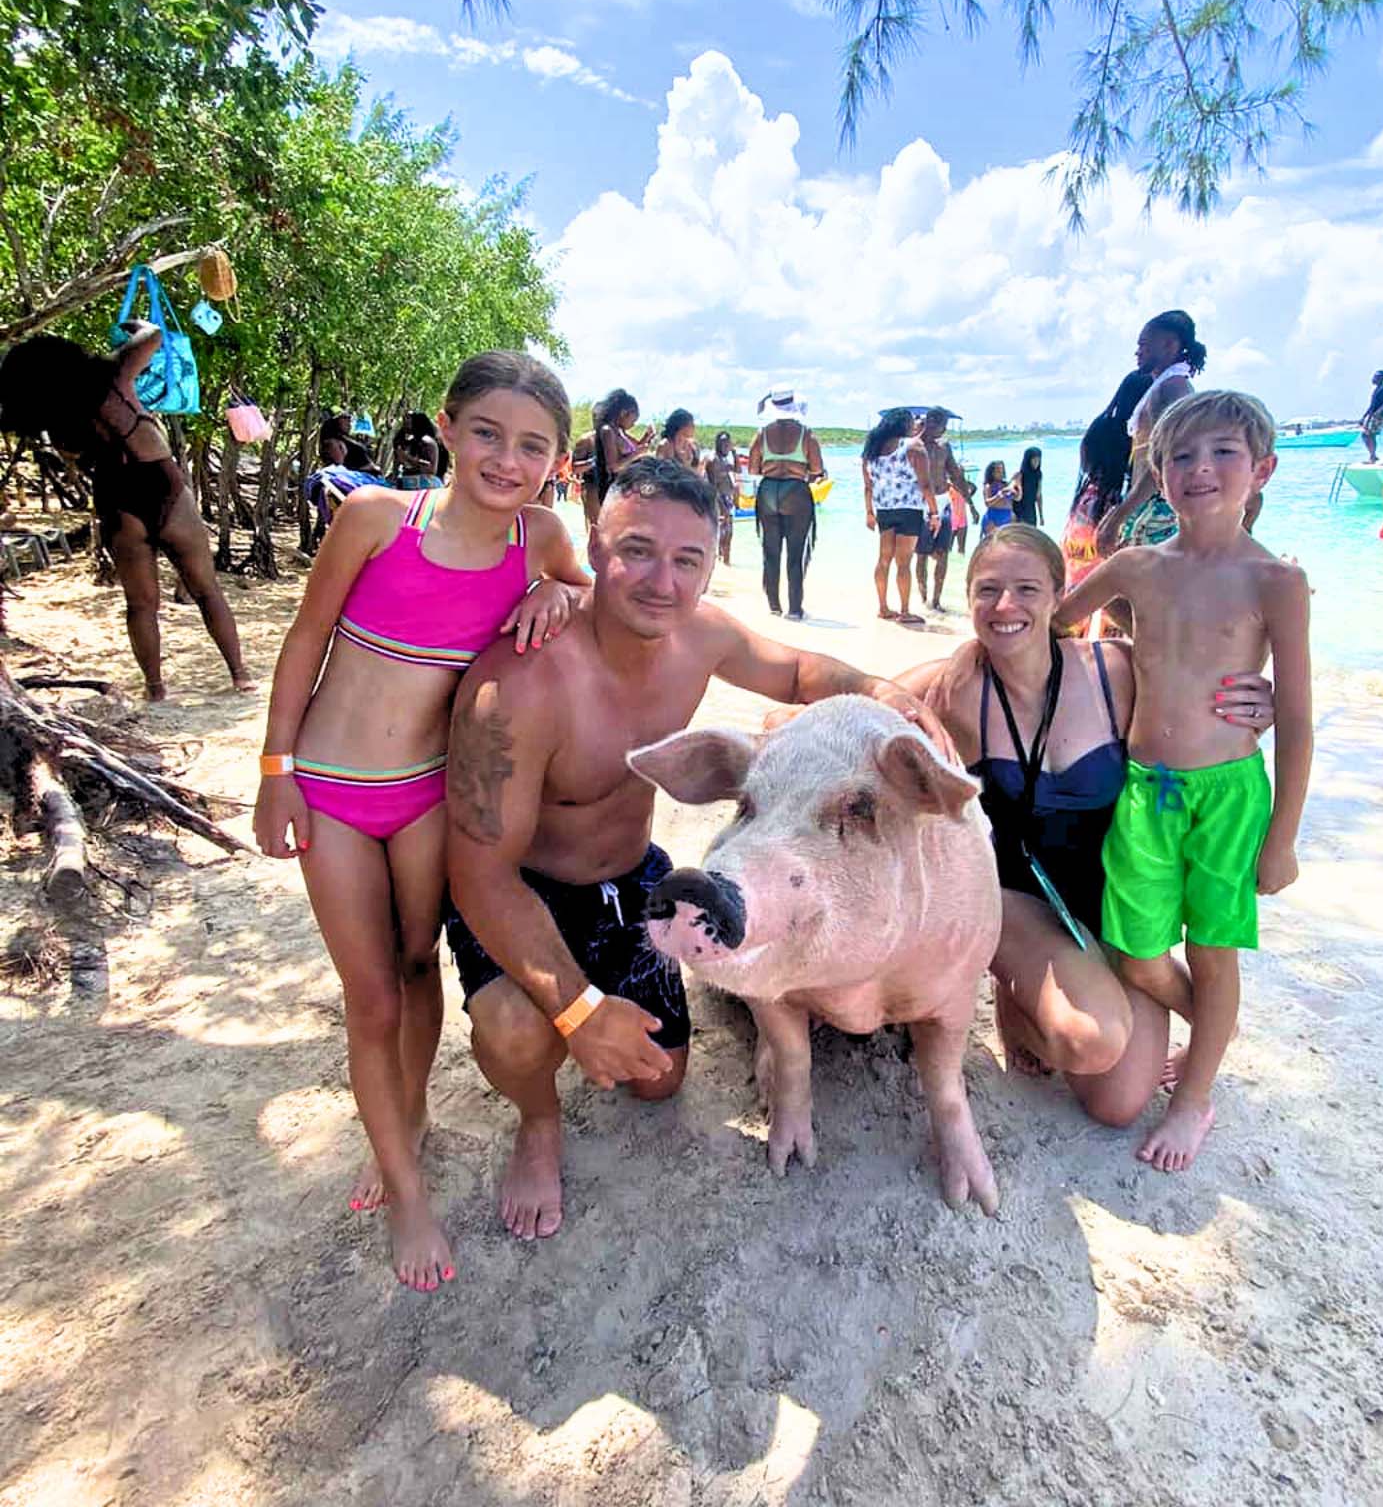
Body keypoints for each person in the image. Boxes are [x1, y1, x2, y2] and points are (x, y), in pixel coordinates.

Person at [442, 456, 953, 1243]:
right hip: (524, 894)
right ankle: (537, 1122)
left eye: (689, 561)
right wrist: (577, 1011)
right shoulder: (521, 684)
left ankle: (593, 1017)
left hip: (630, 884)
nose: (662, 582)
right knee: (519, 1033)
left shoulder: (700, 634)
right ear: (595, 543)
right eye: (637, 550)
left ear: (714, 563)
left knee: (660, 1081)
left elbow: (796, 669)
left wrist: (891, 696)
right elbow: (478, 872)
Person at [252, 351, 590, 1293]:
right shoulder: (373, 520)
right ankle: (405, 1189)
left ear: (556, 461)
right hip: (332, 787)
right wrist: (276, 770)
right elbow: (304, 642)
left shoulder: (540, 537)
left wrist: (560, 590)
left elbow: (591, 588)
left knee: (418, 964)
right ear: (445, 428)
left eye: (533, 446)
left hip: (428, 796)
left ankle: (409, 1117)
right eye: (487, 433)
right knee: (371, 995)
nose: (506, 459)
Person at [894, 526, 1276, 1142]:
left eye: (1025, 589)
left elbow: (1206, 713)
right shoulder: (955, 688)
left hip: (1113, 900)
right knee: (1089, 1041)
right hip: (1016, 899)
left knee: (1119, 1104)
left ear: (1059, 594)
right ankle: (1022, 994)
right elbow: (848, 704)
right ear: (967, 601)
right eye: (987, 591)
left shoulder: (1115, 670)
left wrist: (1265, 701)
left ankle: (1113, 992)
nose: (1005, 607)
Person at [1056, 391, 1313, 1171]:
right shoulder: (1137, 567)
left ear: (1261, 468)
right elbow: (1054, 621)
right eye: (1180, 457)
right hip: (1144, 790)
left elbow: (1298, 719)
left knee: (1213, 951)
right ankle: (1212, 1037)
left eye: (1223, 453)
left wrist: (1284, 841)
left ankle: (1194, 1097)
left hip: (1229, 795)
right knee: (1132, 950)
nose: (1200, 469)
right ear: (1157, 472)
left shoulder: (1277, 580)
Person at [0, 328, 254, 701]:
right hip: (163, 487)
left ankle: (155, 688)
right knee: (206, 590)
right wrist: (131, 325)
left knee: (140, 604)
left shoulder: (56, 420)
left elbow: (75, 460)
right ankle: (240, 674)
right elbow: (153, 336)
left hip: (117, 499)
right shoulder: (113, 374)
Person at [1094, 311, 1206, 557]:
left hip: (1155, 510)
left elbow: (1166, 460)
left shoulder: (1172, 388)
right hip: (1147, 505)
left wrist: (1120, 515)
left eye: (1144, 345)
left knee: (1146, 590)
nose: (1138, 352)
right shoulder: (1164, 387)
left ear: (1169, 345)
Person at [1063, 370, 1153, 582]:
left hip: (1086, 512)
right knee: (1114, 603)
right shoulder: (1143, 435)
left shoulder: (1101, 426)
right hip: (1117, 514)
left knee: (1077, 594)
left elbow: (1087, 466)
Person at [750, 389, 825, 619]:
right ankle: (794, 609)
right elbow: (817, 469)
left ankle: (774, 605)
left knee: (770, 551)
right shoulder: (807, 435)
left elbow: (753, 469)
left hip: (769, 489)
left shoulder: (762, 434)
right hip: (795, 491)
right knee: (796, 553)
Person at [864, 408, 937, 625]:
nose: (914, 423)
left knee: (884, 560)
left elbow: (868, 486)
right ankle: (905, 612)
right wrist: (934, 512)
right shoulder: (914, 446)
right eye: (911, 421)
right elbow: (925, 484)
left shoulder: (872, 450)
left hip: (884, 510)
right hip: (909, 510)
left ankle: (883, 608)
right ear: (903, 424)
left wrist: (869, 512)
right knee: (904, 563)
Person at [913, 407, 968, 612]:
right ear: (931, 423)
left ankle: (936, 601)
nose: (944, 431)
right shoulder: (914, 446)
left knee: (943, 552)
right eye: (942, 426)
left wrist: (969, 503)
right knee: (921, 554)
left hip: (944, 502)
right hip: (922, 505)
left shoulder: (945, 447)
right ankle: (922, 596)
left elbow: (954, 474)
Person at [592, 389, 652, 505]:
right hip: (612, 488)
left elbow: (634, 449)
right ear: (623, 413)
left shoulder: (619, 432)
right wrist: (638, 453)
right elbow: (613, 466)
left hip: (625, 486)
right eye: (633, 420)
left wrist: (647, 437)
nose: (633, 424)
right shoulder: (608, 431)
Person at [704, 429, 738, 566]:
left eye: (728, 444)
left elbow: (738, 470)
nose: (726, 447)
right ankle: (722, 561)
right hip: (719, 499)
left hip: (727, 499)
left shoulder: (724, 460)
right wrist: (722, 506)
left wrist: (734, 453)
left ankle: (724, 562)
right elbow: (713, 486)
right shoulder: (714, 460)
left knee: (727, 533)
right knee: (725, 532)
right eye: (723, 444)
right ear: (717, 444)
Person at [391, 413, 443, 490]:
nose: (404, 423)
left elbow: (431, 470)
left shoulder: (427, 442)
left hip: (425, 484)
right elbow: (397, 464)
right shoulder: (406, 441)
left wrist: (407, 457)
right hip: (408, 483)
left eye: (408, 420)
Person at [1360, 370, 1383, 463]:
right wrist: (1364, 417)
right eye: (1374, 376)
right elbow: (1372, 405)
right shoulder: (1376, 389)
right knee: (1366, 435)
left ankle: (1372, 457)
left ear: (1381, 378)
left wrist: (1379, 411)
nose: (1373, 378)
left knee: (1369, 434)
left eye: (1376, 376)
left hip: (1379, 415)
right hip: (1372, 415)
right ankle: (1373, 456)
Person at [980, 459, 1017, 536]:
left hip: (1008, 516)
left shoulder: (1006, 485)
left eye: (1002, 470)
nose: (1000, 473)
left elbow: (1017, 498)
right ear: (992, 473)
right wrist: (998, 496)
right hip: (993, 517)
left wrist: (1016, 488)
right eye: (997, 471)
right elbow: (987, 503)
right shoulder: (988, 486)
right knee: (992, 544)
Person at [572, 431, 601, 529]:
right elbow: (574, 468)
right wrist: (594, 462)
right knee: (596, 526)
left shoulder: (619, 436)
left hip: (616, 489)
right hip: (593, 489)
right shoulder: (587, 440)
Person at [1012, 446, 1045, 528]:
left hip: (1031, 511)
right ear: (1028, 460)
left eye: (1038, 460)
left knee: (1031, 537)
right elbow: (1011, 495)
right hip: (1019, 510)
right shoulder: (1019, 475)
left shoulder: (1038, 475)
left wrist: (1041, 515)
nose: (1036, 462)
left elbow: (1038, 495)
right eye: (1034, 460)